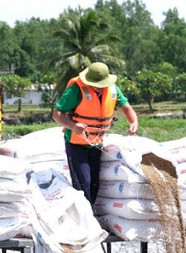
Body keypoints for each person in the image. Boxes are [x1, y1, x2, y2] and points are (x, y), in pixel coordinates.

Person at [52, 62, 138, 205]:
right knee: (83, 185)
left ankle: (89, 216)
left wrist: (133, 121)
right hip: (76, 144)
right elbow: (57, 114)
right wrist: (73, 126)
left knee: (94, 186)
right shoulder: (76, 90)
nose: (99, 88)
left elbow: (126, 108)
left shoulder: (113, 89)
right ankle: (84, 221)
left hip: (96, 143)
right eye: (96, 85)